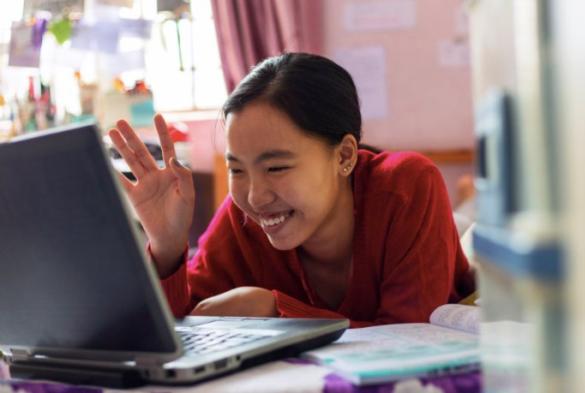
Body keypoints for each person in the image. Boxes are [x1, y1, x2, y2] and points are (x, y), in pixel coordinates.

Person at [109, 52, 475, 328]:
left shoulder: (406, 186)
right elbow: (181, 330)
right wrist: (168, 247)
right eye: (237, 169)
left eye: (276, 167)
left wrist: (277, 310)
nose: (255, 196)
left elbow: (411, 339)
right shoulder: (243, 218)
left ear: (345, 155)